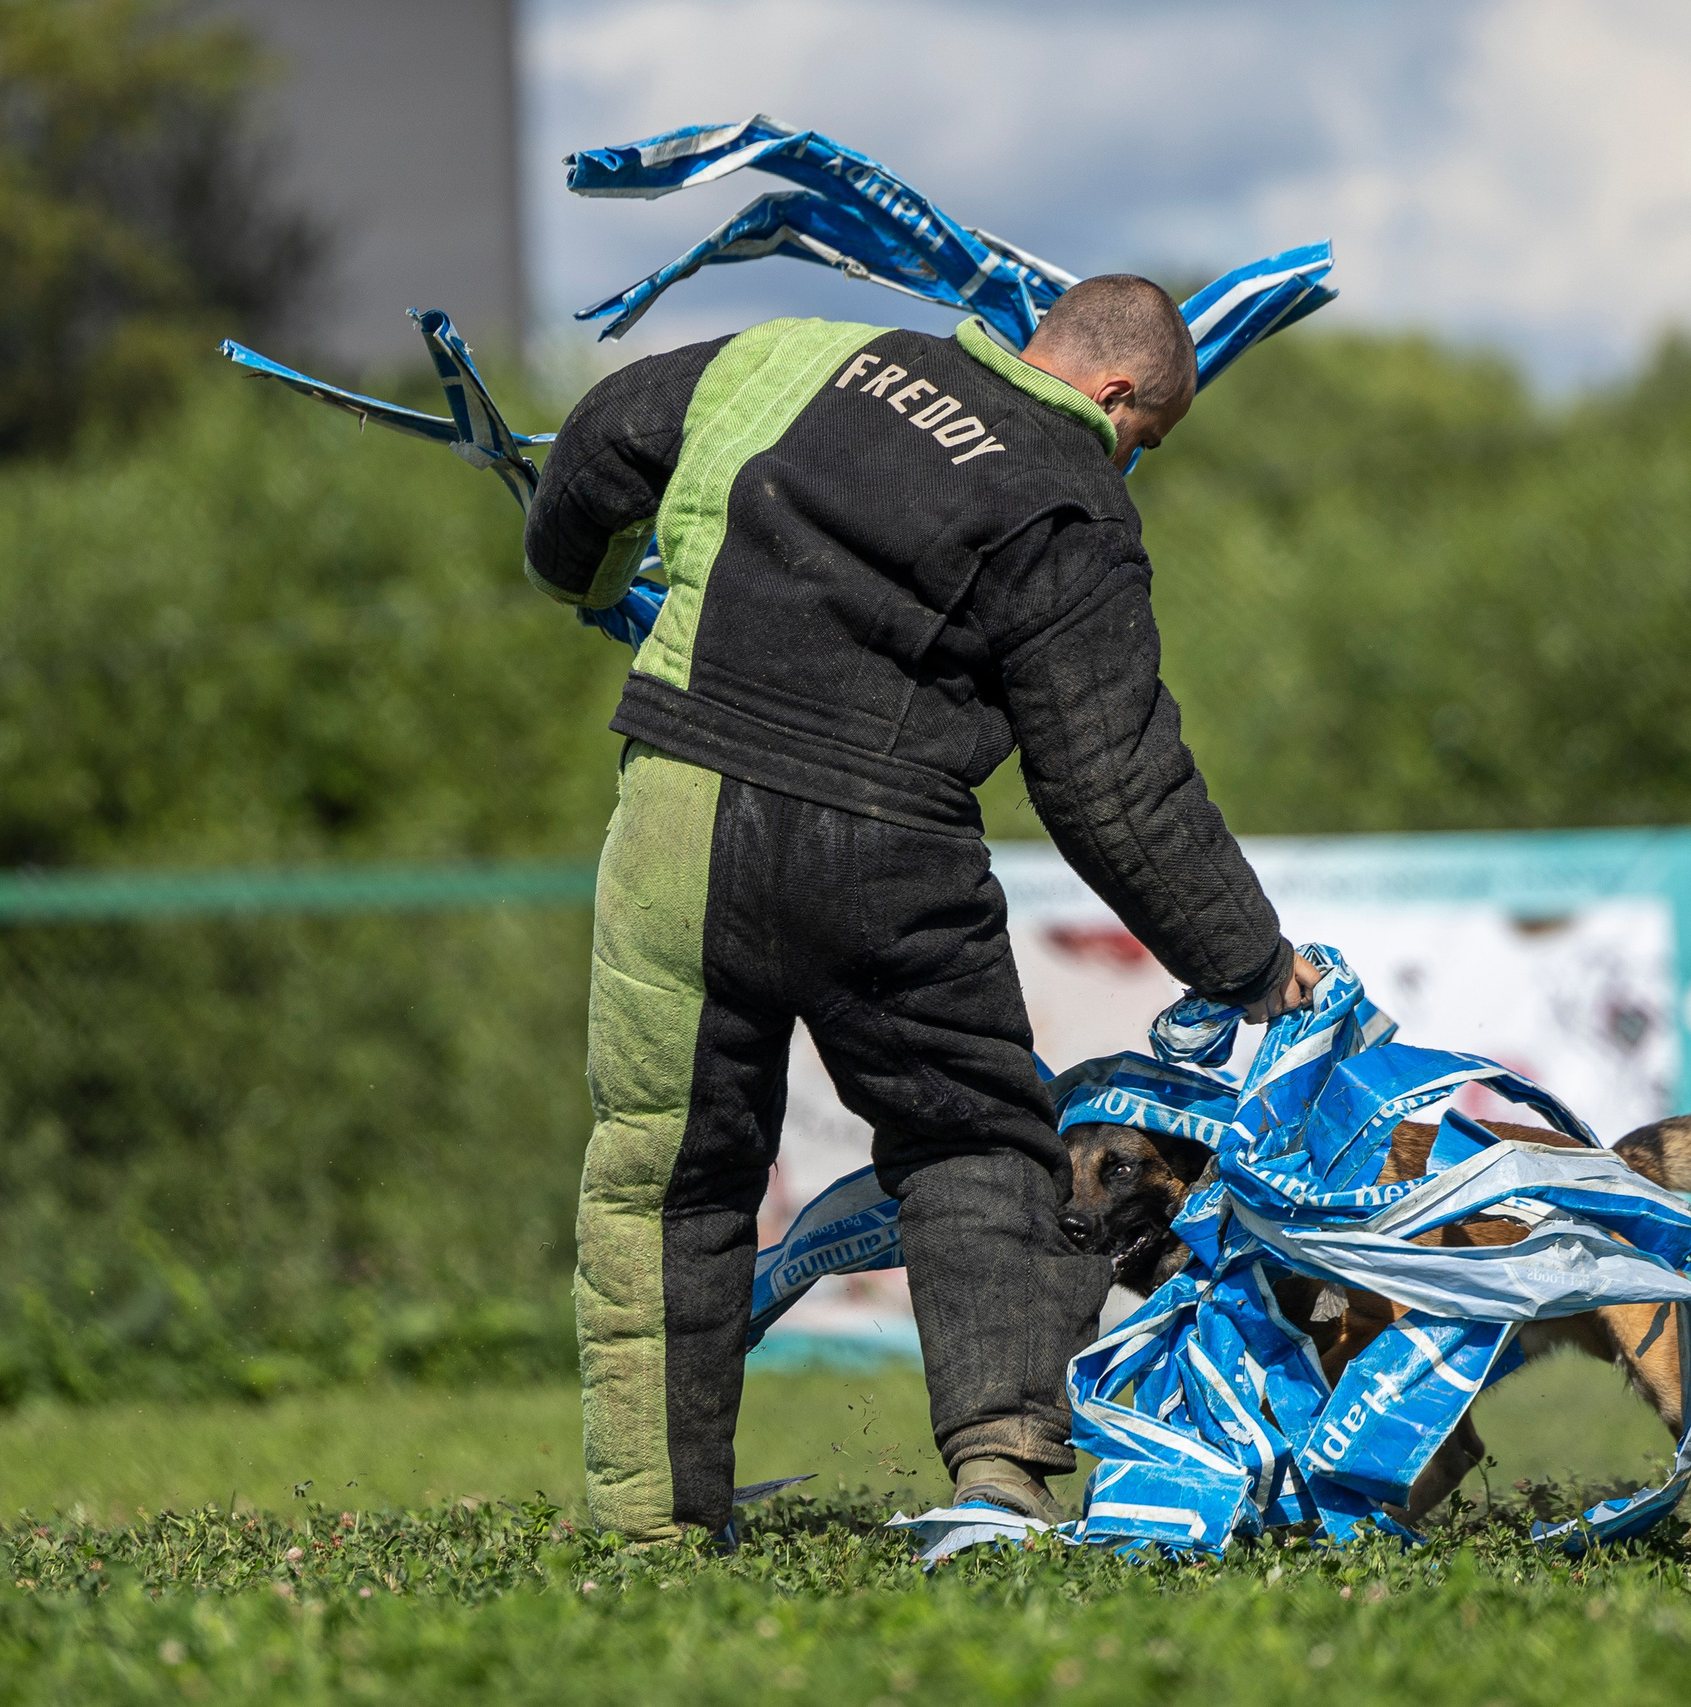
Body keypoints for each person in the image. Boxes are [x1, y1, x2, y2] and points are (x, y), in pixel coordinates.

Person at [522, 275, 1318, 1543]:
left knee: (665, 1172)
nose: (1134, 459)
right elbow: (1112, 783)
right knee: (979, 1147)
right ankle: (1000, 1478)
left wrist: (585, 575)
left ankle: (653, 1529)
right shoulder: (1071, 498)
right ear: (1114, 395)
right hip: (886, 851)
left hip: (680, 810)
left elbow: (609, 432)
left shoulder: (800, 356)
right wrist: (1246, 958)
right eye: (1145, 438)